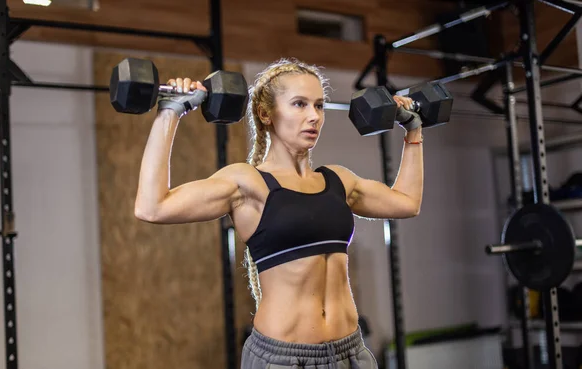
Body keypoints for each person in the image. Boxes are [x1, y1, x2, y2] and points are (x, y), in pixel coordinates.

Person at [134, 58, 424, 369]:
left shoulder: (339, 180)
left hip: (350, 353)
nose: (313, 116)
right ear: (265, 114)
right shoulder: (247, 183)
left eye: (319, 105)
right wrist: (171, 111)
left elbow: (407, 202)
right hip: (284, 360)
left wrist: (413, 130)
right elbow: (152, 207)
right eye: (299, 104)